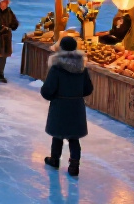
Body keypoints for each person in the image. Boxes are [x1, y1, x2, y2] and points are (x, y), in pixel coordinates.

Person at [41, 36, 93, 177]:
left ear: (61, 48)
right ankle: (74, 166)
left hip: (60, 106)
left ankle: (54, 160)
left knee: (57, 135)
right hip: (76, 107)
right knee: (73, 137)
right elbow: (88, 89)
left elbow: (47, 91)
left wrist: (53, 97)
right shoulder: (82, 68)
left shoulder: (56, 68)